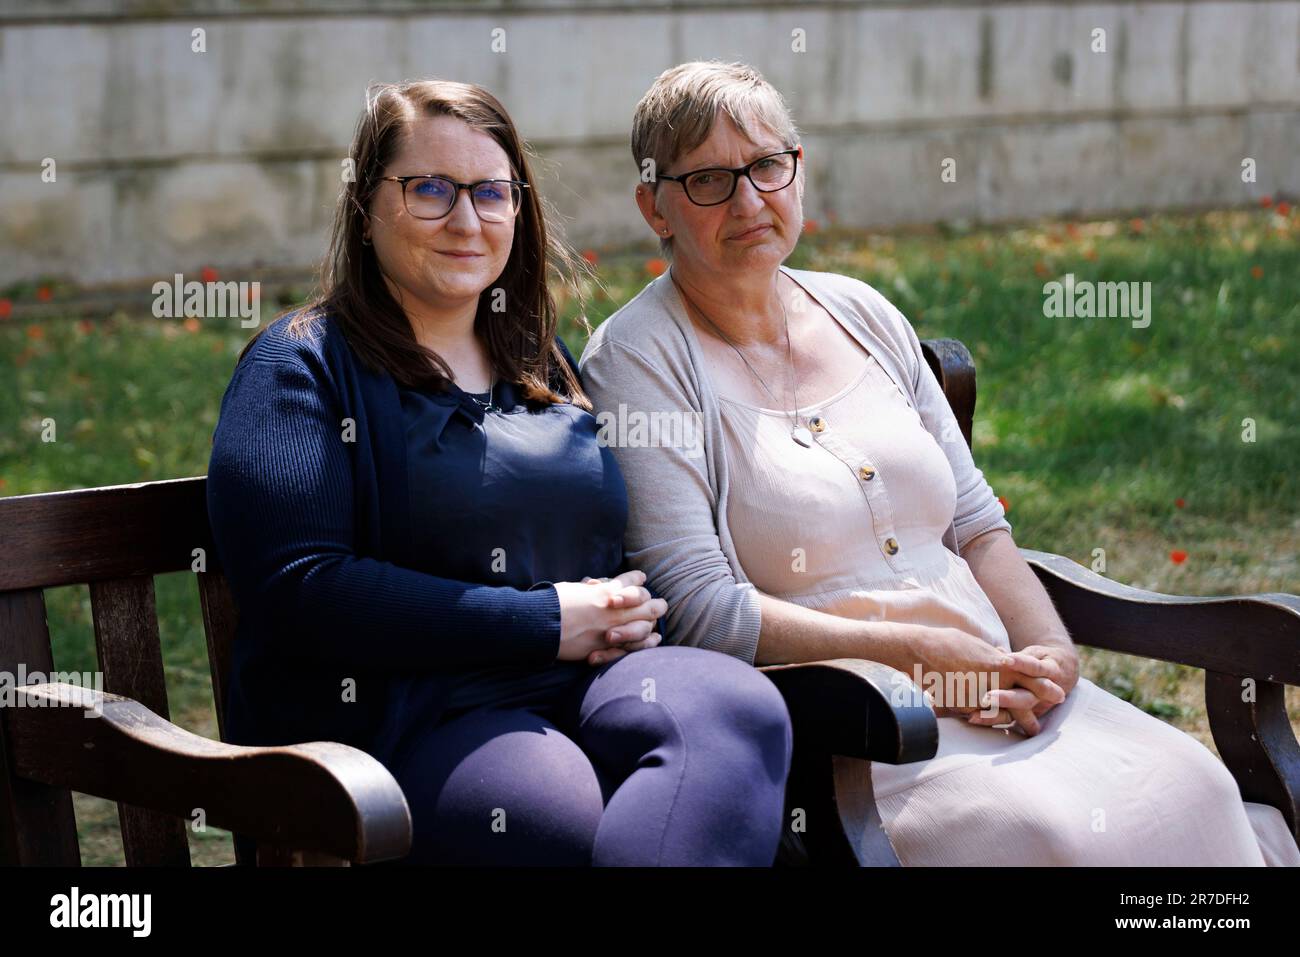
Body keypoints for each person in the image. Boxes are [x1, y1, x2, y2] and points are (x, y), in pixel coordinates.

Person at [578, 60, 1300, 866]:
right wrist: (926, 658)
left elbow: (978, 525)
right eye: (709, 180)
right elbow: (706, 611)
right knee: (1050, 837)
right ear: (655, 206)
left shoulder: (861, 311)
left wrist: (1049, 652)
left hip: (1005, 693)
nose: (749, 200)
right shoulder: (639, 360)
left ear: (799, 169)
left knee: (1191, 785)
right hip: (859, 731)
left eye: (767, 166)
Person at [206, 78, 792, 866]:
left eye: (490, 192)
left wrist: (618, 607)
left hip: (585, 685)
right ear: (365, 204)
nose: (465, 218)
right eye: (429, 190)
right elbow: (300, 589)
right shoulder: (302, 366)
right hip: (407, 717)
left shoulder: (536, 361)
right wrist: (545, 620)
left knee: (734, 710)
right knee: (544, 807)